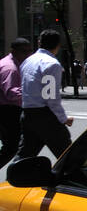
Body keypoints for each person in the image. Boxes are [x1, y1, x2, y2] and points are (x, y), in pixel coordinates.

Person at [16, 29, 74, 161]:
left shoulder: (27, 61)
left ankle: (12, 179)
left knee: (24, 155)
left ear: (39, 42)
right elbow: (50, 97)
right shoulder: (52, 64)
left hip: (27, 114)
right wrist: (63, 118)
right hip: (46, 117)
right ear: (58, 45)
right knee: (68, 157)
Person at [0, 37, 33, 169]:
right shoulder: (11, 68)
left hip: (9, 110)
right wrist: (33, 91)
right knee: (11, 147)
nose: (28, 54)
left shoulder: (12, 64)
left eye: (29, 51)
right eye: (24, 51)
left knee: (21, 145)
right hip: (8, 111)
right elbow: (12, 93)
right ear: (13, 51)